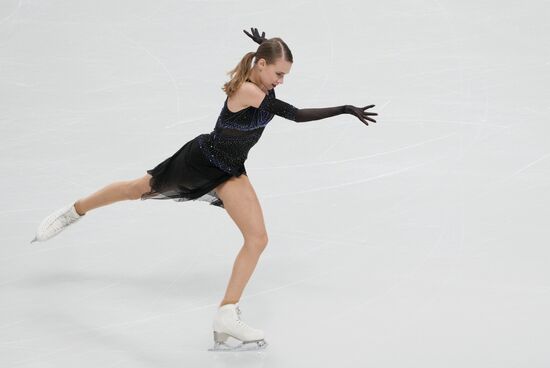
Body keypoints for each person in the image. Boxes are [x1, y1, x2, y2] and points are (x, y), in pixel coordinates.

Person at [30, 27, 378, 351]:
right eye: (279, 73)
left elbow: (273, 82)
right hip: (201, 161)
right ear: (260, 66)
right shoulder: (249, 90)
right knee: (138, 189)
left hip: (230, 171)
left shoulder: (261, 82)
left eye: (284, 75)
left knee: (257, 239)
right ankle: (74, 211)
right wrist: (344, 109)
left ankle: (227, 315)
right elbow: (297, 115)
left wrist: (262, 46)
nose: (281, 81)